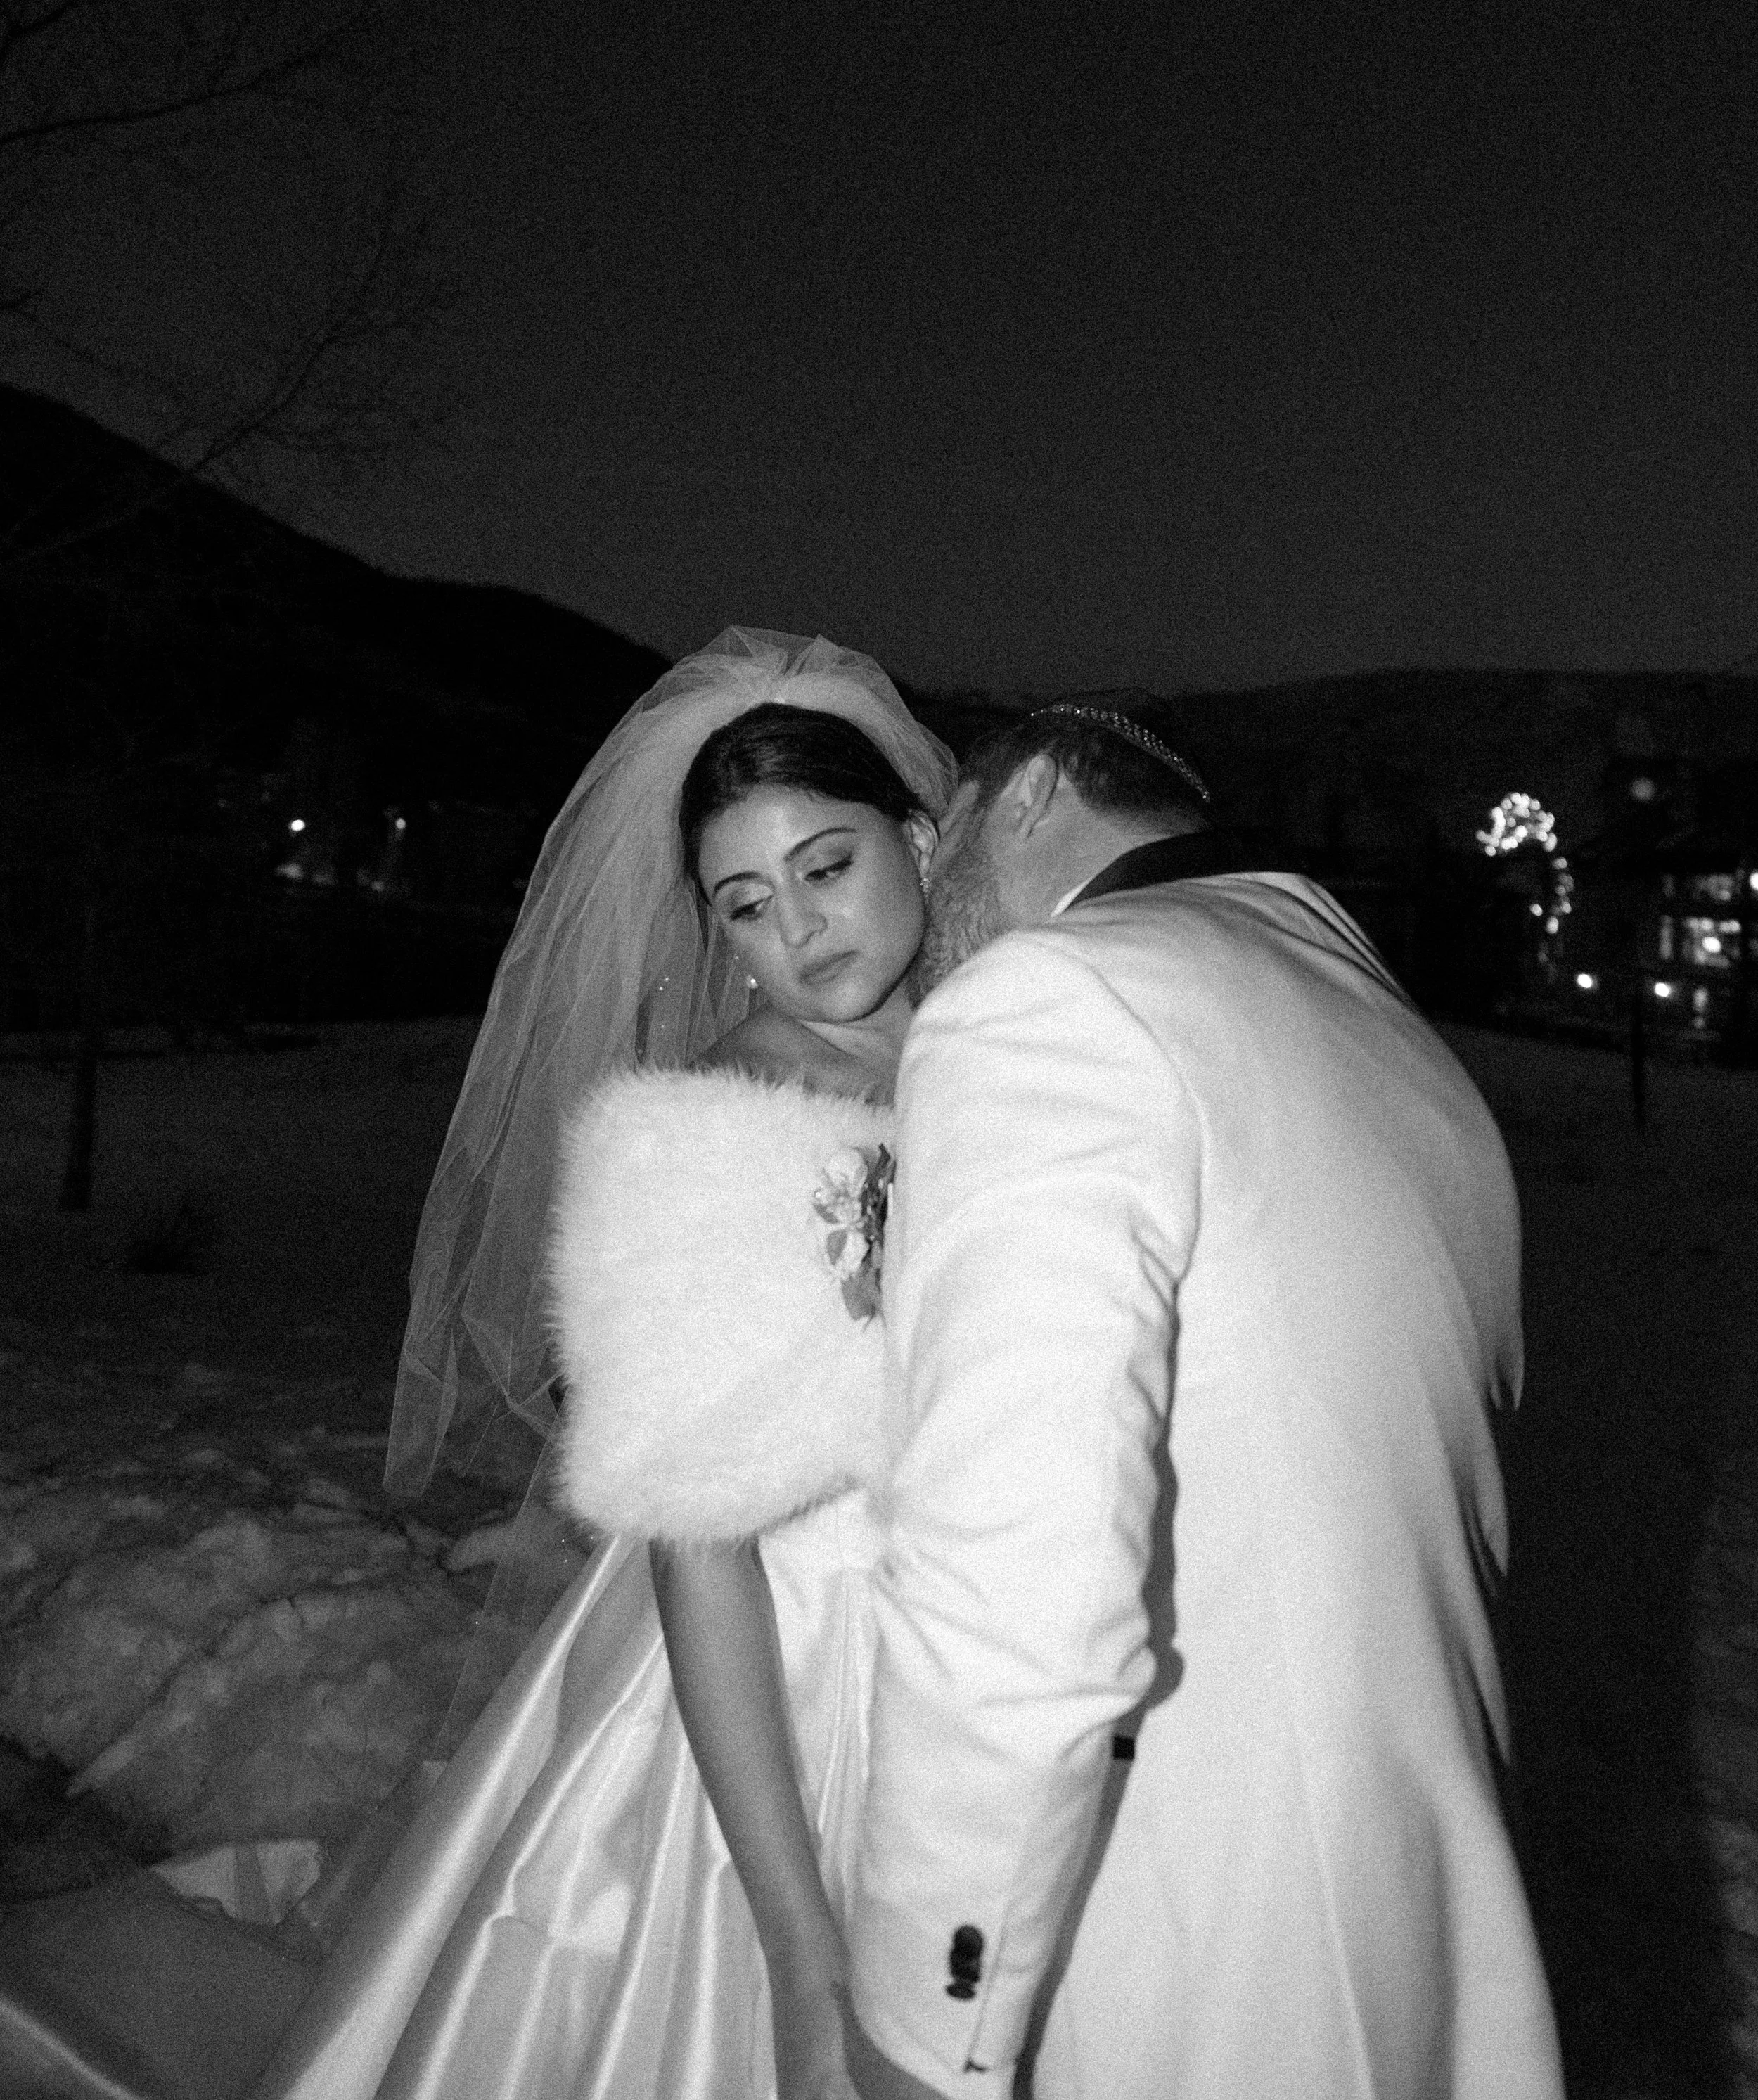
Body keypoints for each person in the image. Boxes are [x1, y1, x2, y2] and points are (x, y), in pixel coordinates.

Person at [249, 628, 955, 2100]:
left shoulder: (1012, 1050)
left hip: (991, 1649)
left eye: (826, 867)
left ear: (919, 832)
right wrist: (801, 1950)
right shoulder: (718, 1115)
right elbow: (695, 1553)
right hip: (779, 1678)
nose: (796, 935)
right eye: (743, 906)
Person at [841, 699, 1565, 2100]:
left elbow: (1020, 1594)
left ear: (1033, 794)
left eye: (940, 843)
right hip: (1423, 1905)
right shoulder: (1382, 1028)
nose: (916, 898)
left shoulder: (1056, 1000)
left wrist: (923, 2018)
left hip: (1186, 1947)